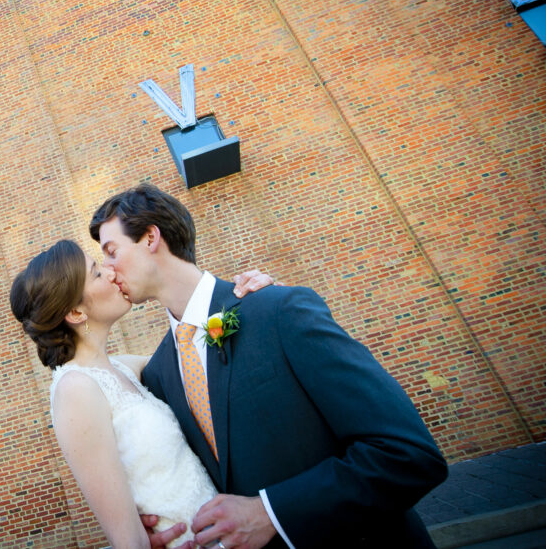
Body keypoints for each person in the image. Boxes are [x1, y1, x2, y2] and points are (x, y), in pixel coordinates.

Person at [89, 183, 448, 549]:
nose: (109, 271)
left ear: (151, 237)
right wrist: (158, 521)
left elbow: (407, 454)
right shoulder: (158, 374)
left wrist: (272, 513)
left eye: (112, 252)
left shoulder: (279, 309)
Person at [10, 240, 276, 548]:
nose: (110, 271)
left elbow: (198, 353)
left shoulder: (123, 367)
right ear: (75, 311)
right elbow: (128, 541)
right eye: (96, 272)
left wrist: (255, 300)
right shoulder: (75, 390)